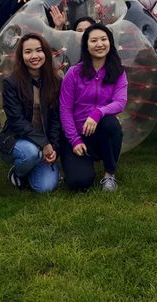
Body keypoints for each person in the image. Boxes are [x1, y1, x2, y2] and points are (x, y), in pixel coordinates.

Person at [60, 24, 128, 191]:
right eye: (94, 40)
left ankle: (109, 173)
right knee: (79, 183)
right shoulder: (74, 73)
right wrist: (74, 140)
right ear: (86, 45)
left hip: (100, 130)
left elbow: (120, 102)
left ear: (110, 43)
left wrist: (98, 113)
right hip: (77, 134)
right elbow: (65, 109)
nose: (99, 44)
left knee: (111, 124)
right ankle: (77, 162)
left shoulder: (118, 72)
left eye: (104, 39)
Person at [0, 33, 62, 193]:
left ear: (46, 53)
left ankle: (33, 166)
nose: (34, 56)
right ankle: (18, 172)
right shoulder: (11, 83)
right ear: (21, 56)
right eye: (28, 52)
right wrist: (44, 144)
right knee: (30, 153)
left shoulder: (56, 81)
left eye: (39, 50)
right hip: (18, 140)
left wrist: (54, 147)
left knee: (44, 188)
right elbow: (16, 121)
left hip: (45, 142)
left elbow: (56, 119)